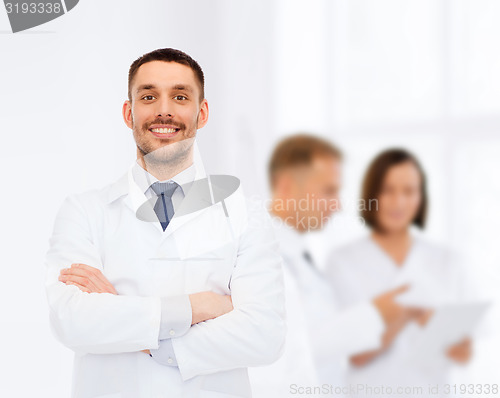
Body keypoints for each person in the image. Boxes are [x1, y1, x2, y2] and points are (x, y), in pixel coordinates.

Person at [44, 48, 286, 398]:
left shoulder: (246, 216)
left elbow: (265, 335)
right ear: (129, 113)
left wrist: (133, 327)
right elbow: (72, 322)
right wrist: (199, 307)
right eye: (148, 96)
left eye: (180, 96)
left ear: (201, 113)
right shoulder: (83, 211)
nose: (164, 110)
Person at [248, 135, 412, 397]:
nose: (337, 205)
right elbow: (284, 352)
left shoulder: (301, 256)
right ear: (287, 186)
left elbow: (325, 345)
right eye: (328, 191)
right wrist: (374, 314)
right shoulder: (258, 256)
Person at [325, 148, 474, 397]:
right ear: (372, 194)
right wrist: (405, 313)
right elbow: (355, 355)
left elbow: (463, 353)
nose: (398, 202)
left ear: (421, 197)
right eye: (388, 190)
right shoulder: (342, 261)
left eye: (409, 191)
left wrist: (439, 329)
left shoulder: (447, 260)